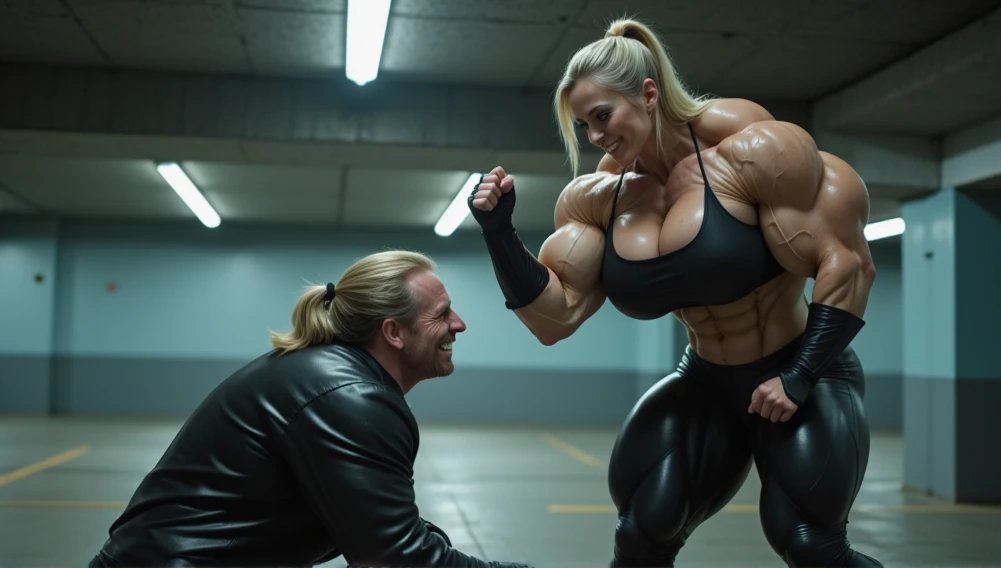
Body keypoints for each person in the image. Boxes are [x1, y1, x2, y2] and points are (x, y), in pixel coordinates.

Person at [468, 17, 882, 568]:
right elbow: (555, 317)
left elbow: (848, 263)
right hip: (708, 380)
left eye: (601, 116)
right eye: (583, 126)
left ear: (647, 94)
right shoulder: (602, 199)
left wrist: (800, 375)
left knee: (808, 541)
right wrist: (499, 232)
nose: (595, 138)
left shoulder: (747, 147)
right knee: (643, 531)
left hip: (802, 369)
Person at [88, 250, 533, 568]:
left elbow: (381, 523)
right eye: (442, 314)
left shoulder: (330, 378)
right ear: (394, 332)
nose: (460, 324)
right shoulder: (350, 398)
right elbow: (393, 558)